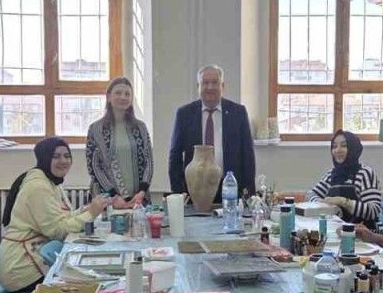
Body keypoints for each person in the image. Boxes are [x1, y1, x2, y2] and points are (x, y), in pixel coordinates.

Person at [0, 137, 109, 291]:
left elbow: (62, 218)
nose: (63, 161)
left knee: (88, 272)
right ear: (44, 158)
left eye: (67, 156)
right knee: (87, 282)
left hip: (31, 257)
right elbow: (58, 231)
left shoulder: (50, 181)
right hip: (20, 268)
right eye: (55, 156)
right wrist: (91, 213)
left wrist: (87, 209)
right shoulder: (38, 187)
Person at [168, 64, 256, 200]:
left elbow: (248, 155)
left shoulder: (238, 113)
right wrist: (179, 192)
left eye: (215, 83)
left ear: (222, 86)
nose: (210, 87)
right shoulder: (184, 114)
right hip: (195, 190)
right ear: (198, 86)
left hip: (230, 190)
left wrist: (248, 193)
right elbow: (175, 156)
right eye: (205, 83)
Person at [86, 77, 154, 208]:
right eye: (118, 93)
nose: (123, 97)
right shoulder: (95, 129)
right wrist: (113, 196)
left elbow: (149, 162)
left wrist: (141, 192)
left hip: (138, 200)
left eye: (127, 94)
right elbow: (93, 166)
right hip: (106, 200)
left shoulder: (141, 127)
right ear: (108, 97)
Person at [306, 130, 382, 225]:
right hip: (336, 229)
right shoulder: (332, 174)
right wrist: (321, 203)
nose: (338, 150)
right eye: (334, 146)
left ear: (353, 148)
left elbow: (374, 211)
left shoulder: (365, 173)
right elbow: (310, 195)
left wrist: (344, 202)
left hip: (364, 230)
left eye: (344, 145)